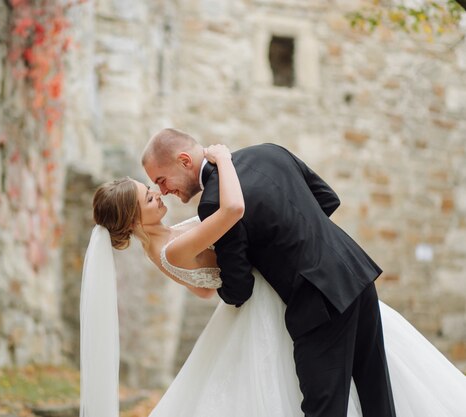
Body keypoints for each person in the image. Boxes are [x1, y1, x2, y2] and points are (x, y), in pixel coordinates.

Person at [79, 142, 466, 417]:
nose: (161, 191)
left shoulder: (210, 202)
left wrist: (277, 256)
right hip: (353, 271)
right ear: (132, 221)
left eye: (158, 183)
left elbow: (235, 280)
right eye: (151, 194)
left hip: (314, 298)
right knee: (375, 393)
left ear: (182, 159)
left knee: (322, 405)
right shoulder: (267, 152)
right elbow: (326, 199)